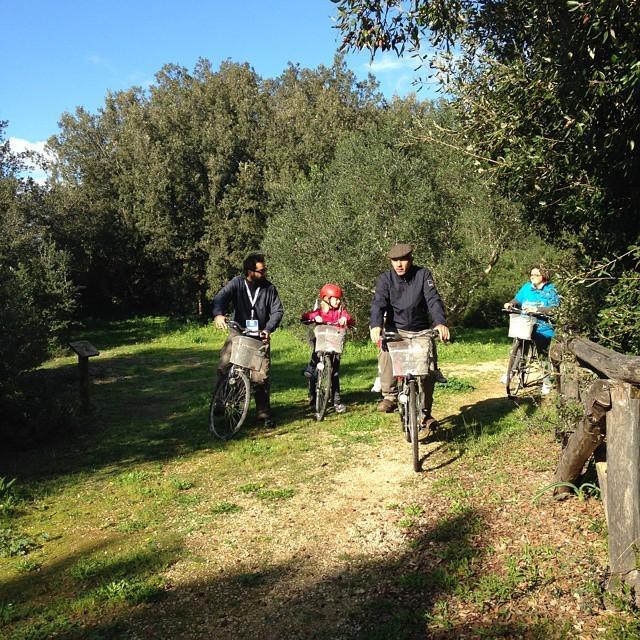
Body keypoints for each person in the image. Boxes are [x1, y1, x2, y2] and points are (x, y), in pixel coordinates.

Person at [369, 243, 450, 428]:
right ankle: (390, 396)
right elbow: (378, 303)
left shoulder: (423, 275)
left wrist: (440, 322)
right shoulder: (385, 279)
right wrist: (376, 325)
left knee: (428, 369)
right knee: (385, 350)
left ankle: (425, 414)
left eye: (403, 260)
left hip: (420, 330)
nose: (399, 264)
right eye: (395, 260)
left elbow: (433, 300)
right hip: (395, 330)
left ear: (411, 259)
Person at [212, 253, 284, 428]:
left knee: (261, 376)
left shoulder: (269, 288)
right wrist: (218, 314)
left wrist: (268, 329)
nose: (264, 273)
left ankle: (263, 413)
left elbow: (277, 311)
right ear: (249, 272)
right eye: (261, 271)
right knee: (225, 365)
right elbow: (221, 297)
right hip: (239, 331)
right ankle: (222, 401)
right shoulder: (237, 283)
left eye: (265, 270)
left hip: (260, 335)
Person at [503, 265, 560, 394]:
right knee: (519, 348)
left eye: (535, 275)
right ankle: (511, 373)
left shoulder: (551, 290)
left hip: (542, 328)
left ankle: (547, 381)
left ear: (543, 276)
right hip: (526, 324)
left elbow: (555, 309)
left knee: (542, 355)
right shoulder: (527, 287)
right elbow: (518, 299)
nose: (532, 277)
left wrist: (538, 310)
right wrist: (511, 303)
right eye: (531, 275)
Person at [301, 283, 355, 414]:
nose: (338, 301)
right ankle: (313, 396)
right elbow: (305, 317)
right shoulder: (319, 311)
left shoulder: (340, 312)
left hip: (334, 345)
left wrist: (344, 319)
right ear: (326, 299)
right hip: (321, 343)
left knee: (334, 373)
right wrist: (315, 317)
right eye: (335, 298)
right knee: (316, 369)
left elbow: (350, 320)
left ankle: (336, 401)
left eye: (339, 299)